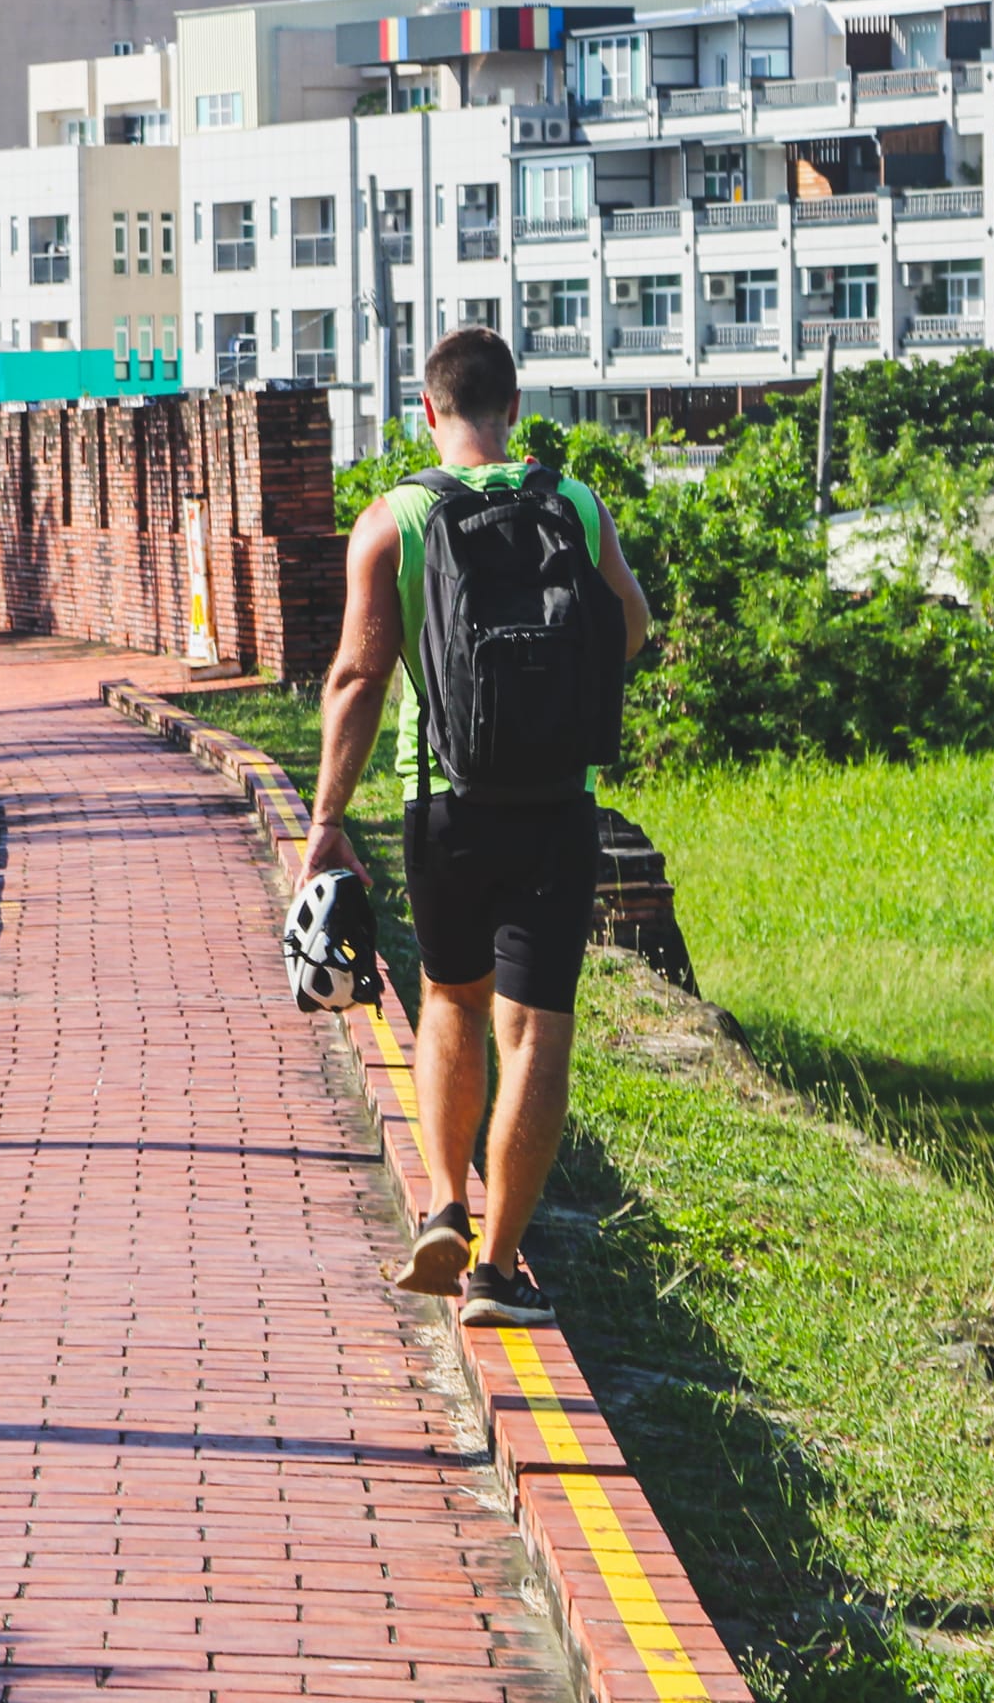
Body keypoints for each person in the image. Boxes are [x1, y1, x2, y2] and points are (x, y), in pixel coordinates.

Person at [299, 328, 649, 1327]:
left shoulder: (395, 520)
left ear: (427, 409)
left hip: (442, 798)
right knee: (537, 1025)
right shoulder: (575, 503)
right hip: (558, 800)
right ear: (515, 405)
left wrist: (327, 819)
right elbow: (630, 624)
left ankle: (445, 1202)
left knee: (450, 997)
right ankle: (497, 1268)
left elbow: (358, 676)